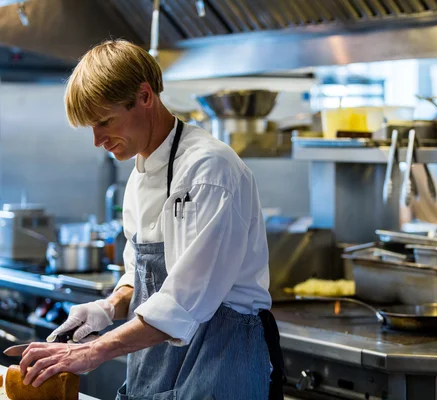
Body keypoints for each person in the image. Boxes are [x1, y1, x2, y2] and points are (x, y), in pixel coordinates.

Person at [18, 39, 284, 400]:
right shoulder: (140, 176)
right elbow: (140, 278)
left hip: (220, 366)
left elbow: (183, 301)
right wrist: (108, 307)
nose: (98, 140)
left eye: (105, 122)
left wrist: (93, 350)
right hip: (157, 369)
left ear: (145, 96)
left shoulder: (210, 171)